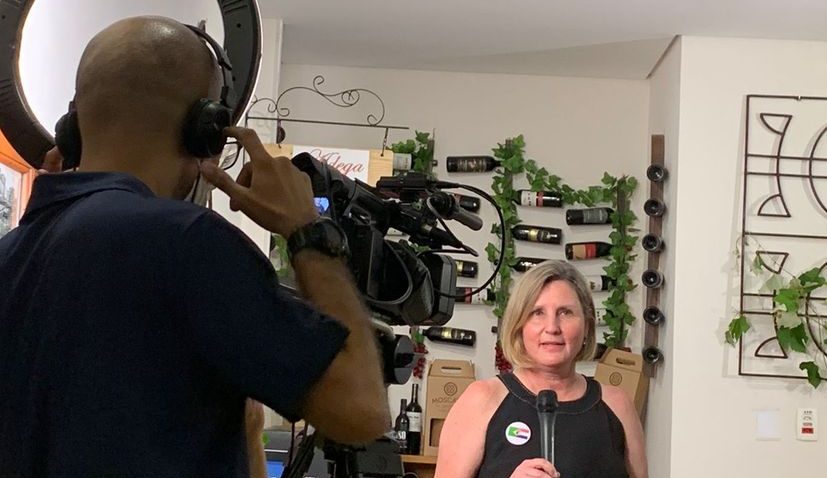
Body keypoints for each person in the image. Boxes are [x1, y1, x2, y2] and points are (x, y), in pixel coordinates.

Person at [0, 16, 389, 477]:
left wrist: (245, 426)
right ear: (207, 129)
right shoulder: (187, 240)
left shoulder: (11, 254)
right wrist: (309, 231)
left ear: (73, 128)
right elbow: (361, 410)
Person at [435, 260, 647, 478]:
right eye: (537, 313)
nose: (552, 327)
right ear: (519, 325)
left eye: (565, 312)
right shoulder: (482, 399)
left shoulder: (617, 405)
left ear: (587, 324)